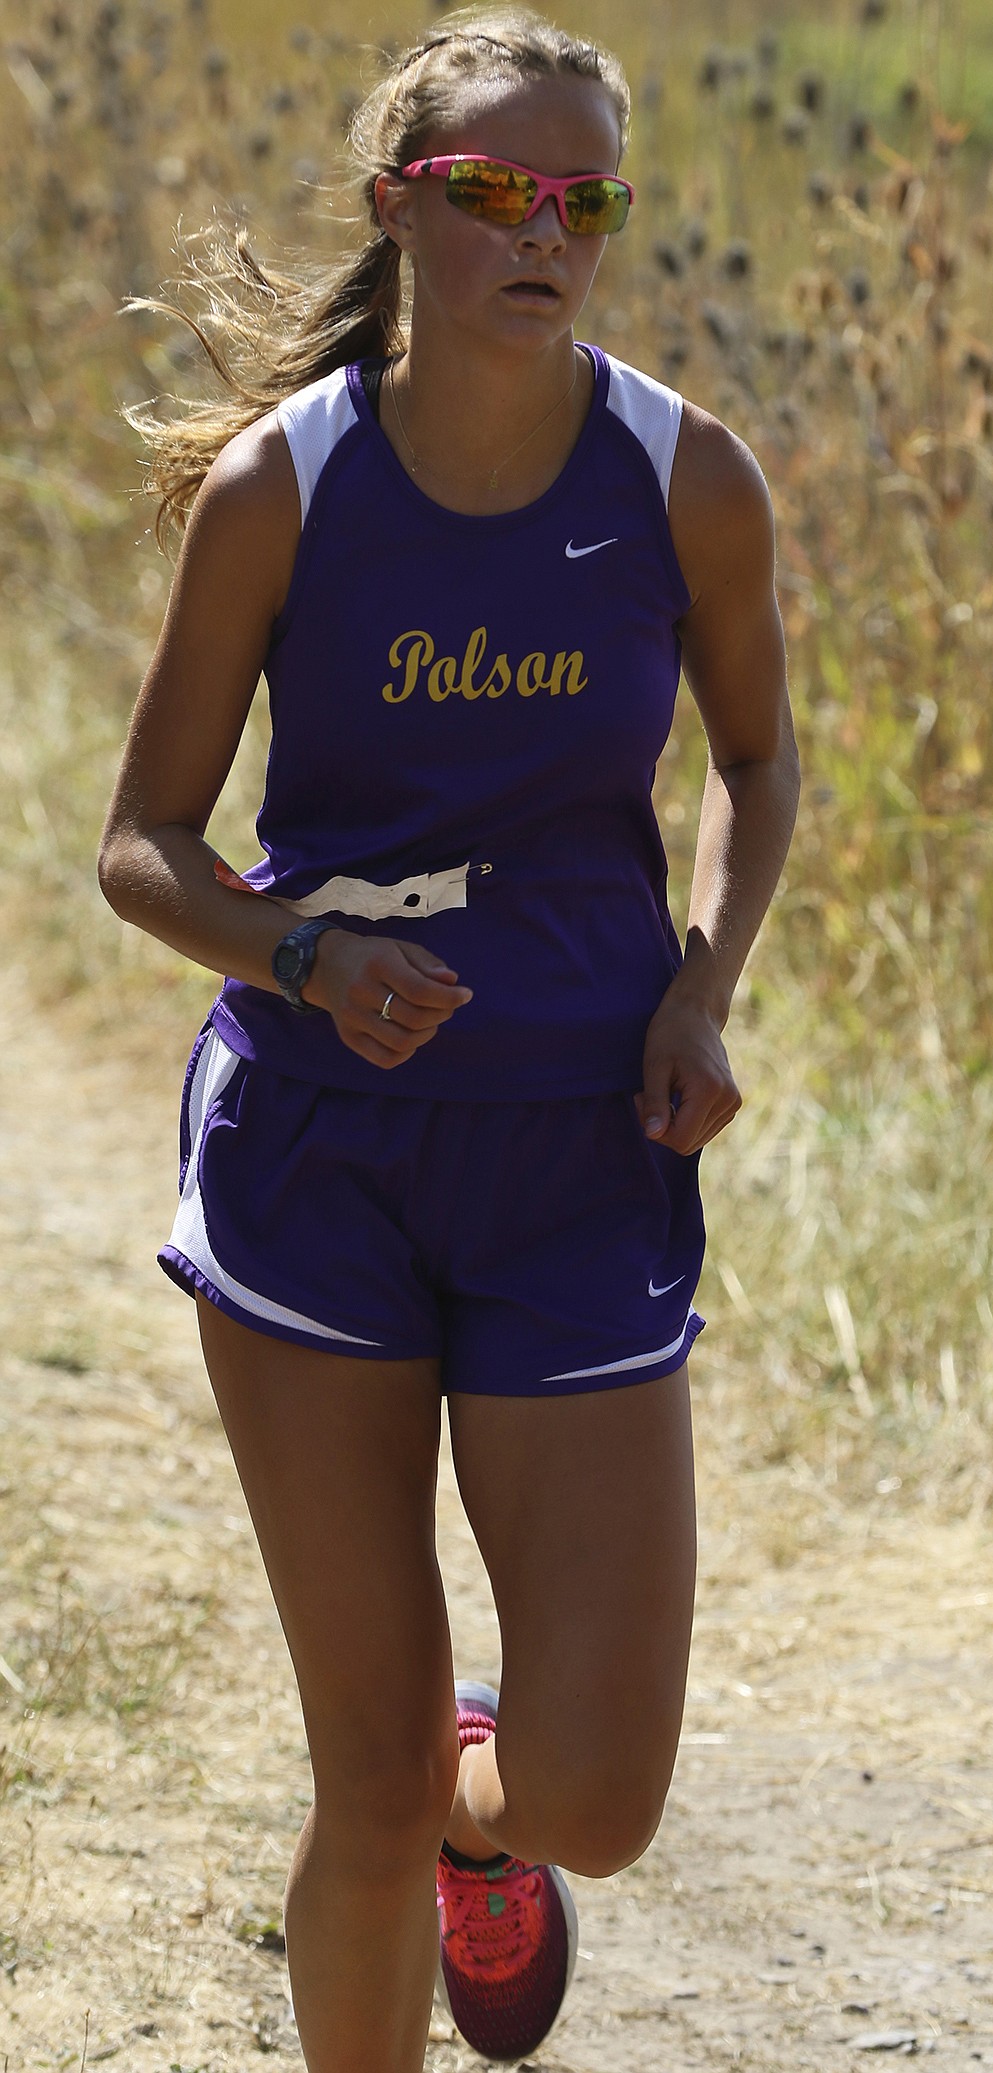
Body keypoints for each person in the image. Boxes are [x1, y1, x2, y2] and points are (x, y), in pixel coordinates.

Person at [98, 8, 799, 2069]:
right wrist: (295, 955)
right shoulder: (280, 491)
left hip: (581, 1147)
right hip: (318, 1149)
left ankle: (489, 1830)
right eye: (497, 190)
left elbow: (754, 762)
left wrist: (702, 980)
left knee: (588, 1796)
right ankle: (422, 1822)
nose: (545, 232)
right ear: (401, 204)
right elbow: (140, 843)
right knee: (367, 1775)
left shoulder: (683, 478)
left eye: (583, 201)